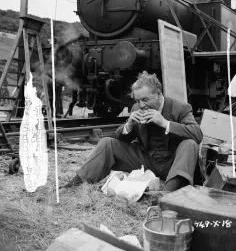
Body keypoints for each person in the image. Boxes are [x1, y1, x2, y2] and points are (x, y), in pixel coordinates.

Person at [61, 71, 203, 192]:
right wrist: (129, 125)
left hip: (173, 163)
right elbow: (119, 140)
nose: (141, 105)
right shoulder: (136, 108)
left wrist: (165, 123)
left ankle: (166, 194)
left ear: (159, 94)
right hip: (147, 162)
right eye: (137, 100)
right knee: (107, 143)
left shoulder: (180, 108)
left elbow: (197, 134)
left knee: (190, 143)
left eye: (145, 100)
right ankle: (74, 183)